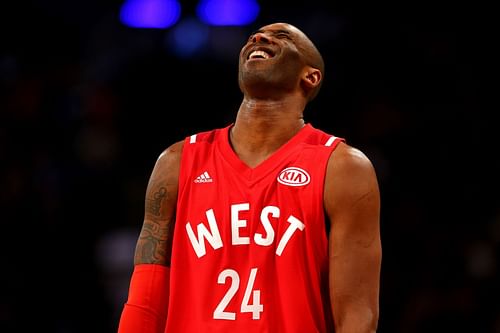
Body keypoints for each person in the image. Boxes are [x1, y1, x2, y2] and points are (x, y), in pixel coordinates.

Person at [117, 22, 382, 333]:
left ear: (310, 77)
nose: (259, 37)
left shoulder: (343, 167)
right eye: (255, 36)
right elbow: (146, 297)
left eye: (282, 36)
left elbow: (356, 313)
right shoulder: (177, 161)